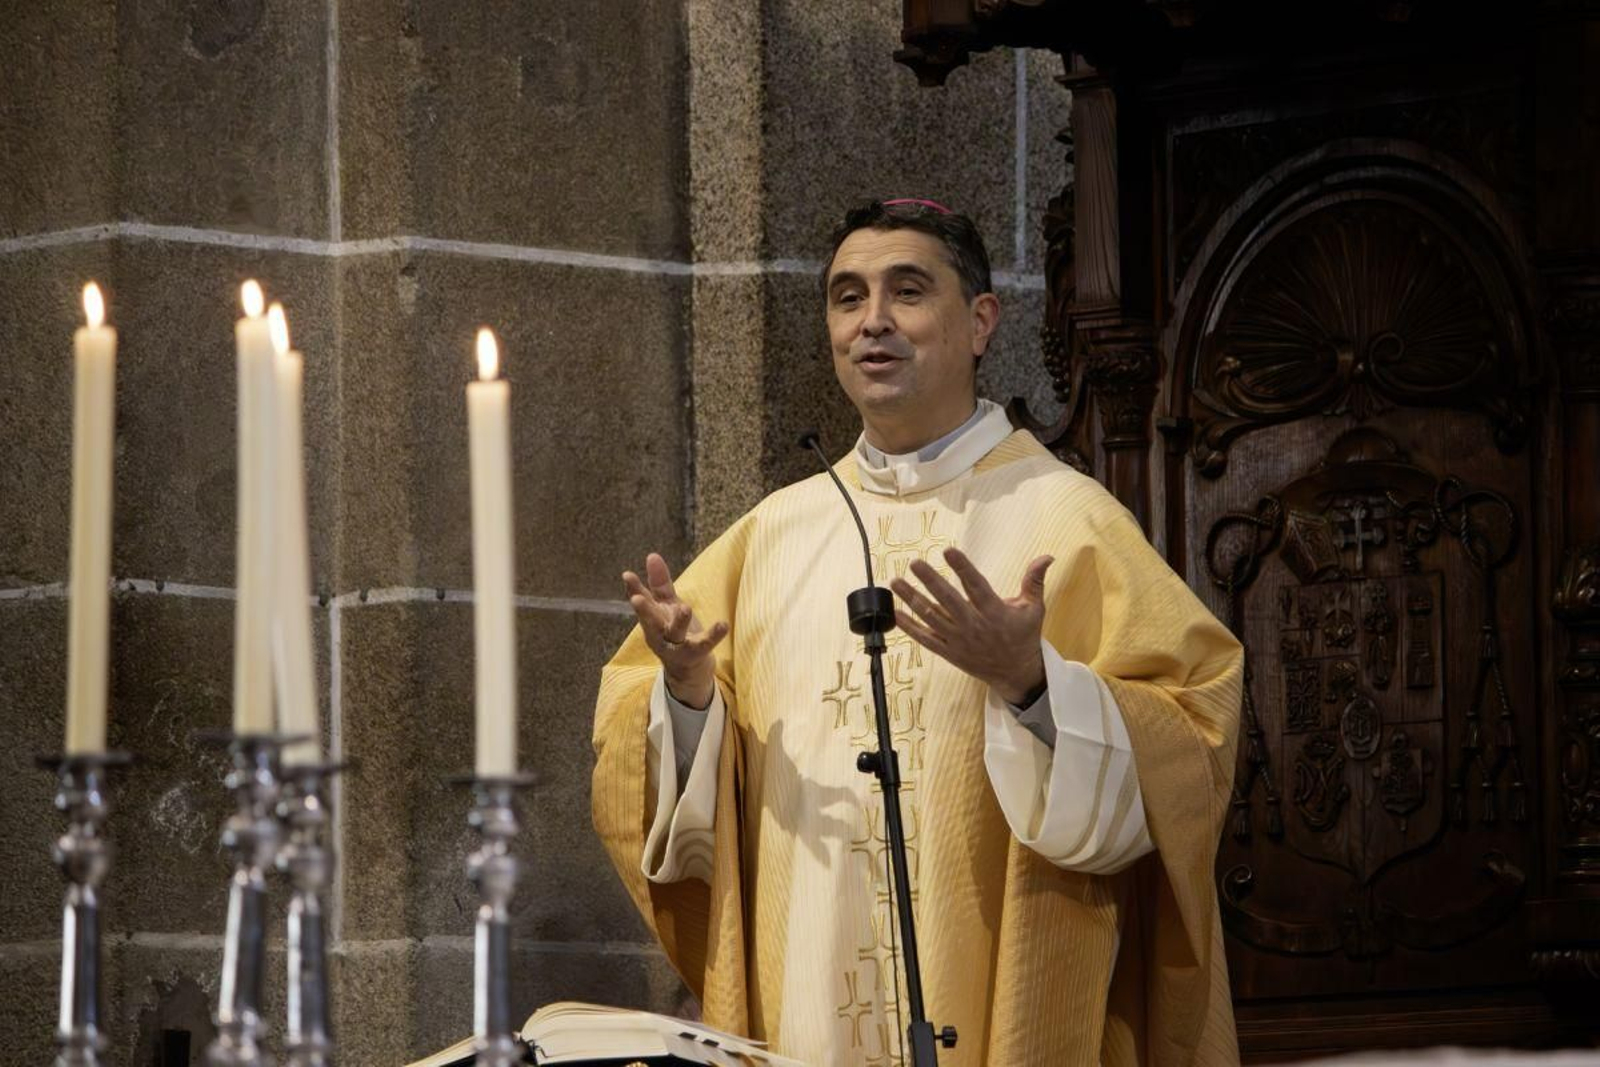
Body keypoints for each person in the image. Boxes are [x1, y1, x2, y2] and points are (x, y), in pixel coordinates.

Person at [591, 198, 1243, 1066]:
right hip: (803, 1015)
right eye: (847, 296)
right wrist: (687, 696)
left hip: (998, 1008)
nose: (873, 322)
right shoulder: (771, 536)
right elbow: (673, 821)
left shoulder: (1066, 517)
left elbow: (1193, 744)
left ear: (978, 321)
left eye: (907, 291)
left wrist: (1037, 689)